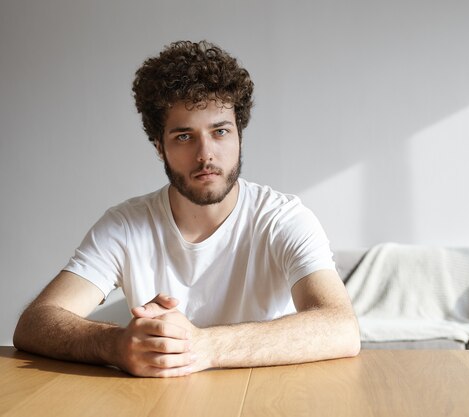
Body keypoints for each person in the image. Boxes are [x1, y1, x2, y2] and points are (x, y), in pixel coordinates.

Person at [13, 40, 360, 377]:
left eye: (220, 132)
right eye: (183, 136)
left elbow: (341, 326)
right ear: (159, 147)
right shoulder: (125, 225)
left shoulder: (282, 219)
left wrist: (203, 346)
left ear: (239, 135)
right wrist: (115, 344)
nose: (205, 154)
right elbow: (35, 321)